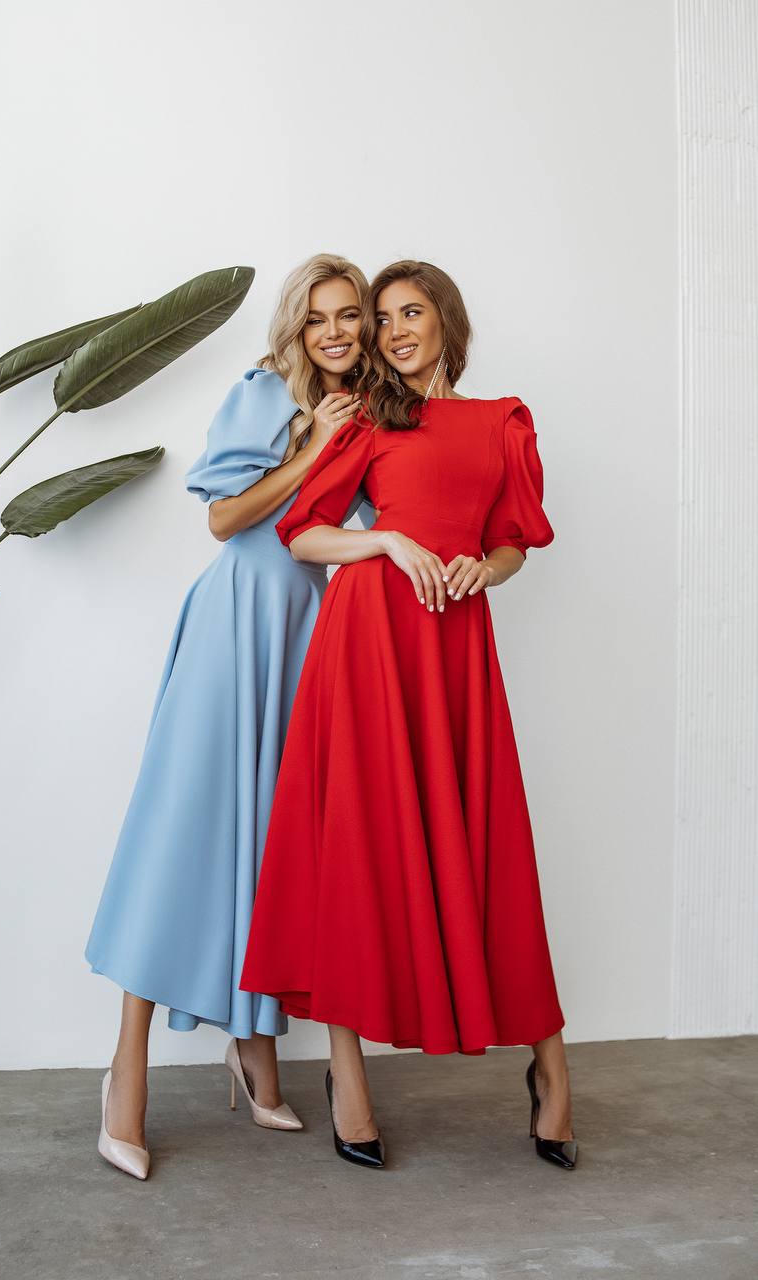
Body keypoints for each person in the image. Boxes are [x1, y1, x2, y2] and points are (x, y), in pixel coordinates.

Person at [240, 260, 577, 1172]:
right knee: (360, 846)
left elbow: (512, 538)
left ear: (443, 322)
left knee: (487, 842)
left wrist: (485, 569)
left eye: (409, 312)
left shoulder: (500, 421)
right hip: (366, 646)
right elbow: (301, 530)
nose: (392, 330)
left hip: (454, 646)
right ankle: (347, 1074)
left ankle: (549, 1067)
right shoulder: (371, 423)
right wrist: (386, 538)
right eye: (382, 317)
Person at [86, 253, 374, 1179]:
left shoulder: (363, 409)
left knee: (275, 846)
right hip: (234, 623)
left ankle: (252, 1051)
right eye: (321, 317)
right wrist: (313, 452)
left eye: (351, 318)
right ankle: (124, 1071)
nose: (337, 332)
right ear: (297, 325)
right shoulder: (265, 394)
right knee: (186, 833)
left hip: (305, 635)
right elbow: (223, 521)